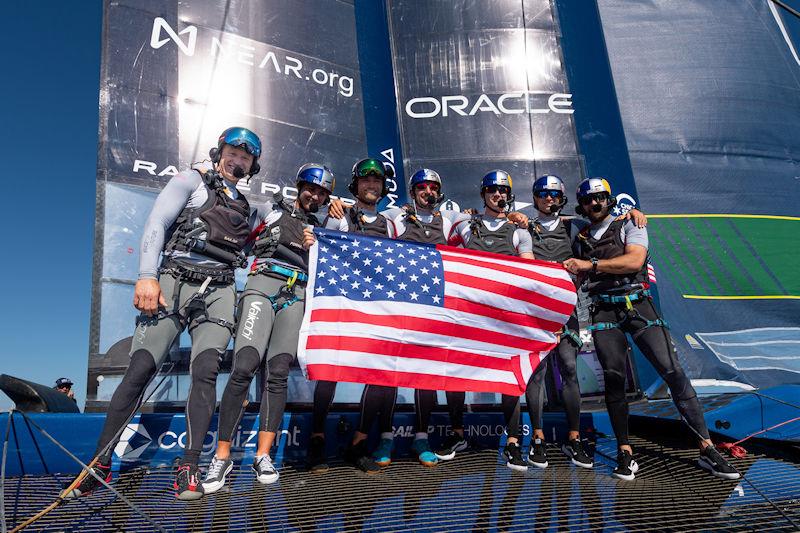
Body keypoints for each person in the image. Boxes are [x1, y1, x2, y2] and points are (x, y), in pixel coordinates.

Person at [66, 127, 261, 501]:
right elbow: (156, 223)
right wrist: (145, 277)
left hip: (219, 289)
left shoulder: (247, 208)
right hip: (174, 280)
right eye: (232, 153)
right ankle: (99, 465)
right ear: (220, 152)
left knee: (205, 372)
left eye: (246, 157)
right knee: (140, 368)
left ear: (253, 165)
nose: (238, 161)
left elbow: (281, 228)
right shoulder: (191, 180)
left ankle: (189, 466)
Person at [563, 178, 739, 481]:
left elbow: (634, 261)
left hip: (638, 307)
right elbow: (553, 221)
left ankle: (707, 448)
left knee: (672, 372)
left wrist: (589, 265)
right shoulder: (580, 234)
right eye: (589, 200)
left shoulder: (632, 223)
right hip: (603, 310)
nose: (596, 203)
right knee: (614, 380)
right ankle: (625, 452)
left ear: (609, 199)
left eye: (601, 198)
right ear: (581, 205)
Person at [201, 163, 334, 494]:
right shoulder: (268, 209)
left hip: (296, 296)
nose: (314, 196)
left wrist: (320, 243)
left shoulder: (325, 227)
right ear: (299, 186)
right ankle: (222, 456)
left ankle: (263, 455)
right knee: (244, 366)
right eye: (310, 188)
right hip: (262, 286)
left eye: (321, 193)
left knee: (278, 373)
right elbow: (233, 235)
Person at [307, 158, 399, 474]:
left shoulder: (391, 223)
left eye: (377, 182)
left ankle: (358, 443)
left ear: (384, 188)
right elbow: (322, 246)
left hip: (377, 306)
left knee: (381, 376)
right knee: (330, 371)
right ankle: (317, 439)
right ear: (355, 186)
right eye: (365, 181)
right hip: (344, 304)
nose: (371, 186)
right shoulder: (341, 214)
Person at [445, 170, 534, 471]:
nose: (498, 195)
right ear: (483, 194)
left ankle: (512, 443)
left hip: (504, 316)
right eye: (492, 190)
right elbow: (440, 248)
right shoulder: (464, 224)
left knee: (508, 378)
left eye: (503, 191)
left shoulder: (519, 230)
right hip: (470, 314)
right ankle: (457, 435)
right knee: (456, 371)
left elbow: (529, 272)